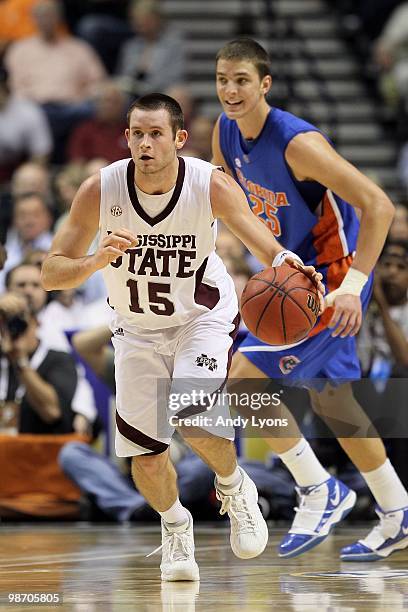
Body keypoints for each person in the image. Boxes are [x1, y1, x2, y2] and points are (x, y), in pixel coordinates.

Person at [41, 92, 323, 581]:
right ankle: (175, 526)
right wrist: (95, 261)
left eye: (155, 134)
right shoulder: (99, 189)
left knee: (193, 416)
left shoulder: (207, 183)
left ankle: (235, 489)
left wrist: (288, 265)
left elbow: (259, 239)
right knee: (147, 460)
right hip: (134, 330)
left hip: (202, 318)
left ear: (179, 138)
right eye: (136, 134)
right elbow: (51, 272)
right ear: (125, 136)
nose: (144, 143)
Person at [212, 38, 408, 562]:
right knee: (332, 399)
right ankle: (396, 509)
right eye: (223, 80)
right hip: (290, 272)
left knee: (244, 382)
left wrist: (351, 286)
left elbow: (378, 204)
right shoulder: (224, 132)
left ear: (265, 85)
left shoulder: (297, 143)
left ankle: (318, 490)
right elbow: (228, 205)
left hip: (329, 279)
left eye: (242, 81)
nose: (230, 91)